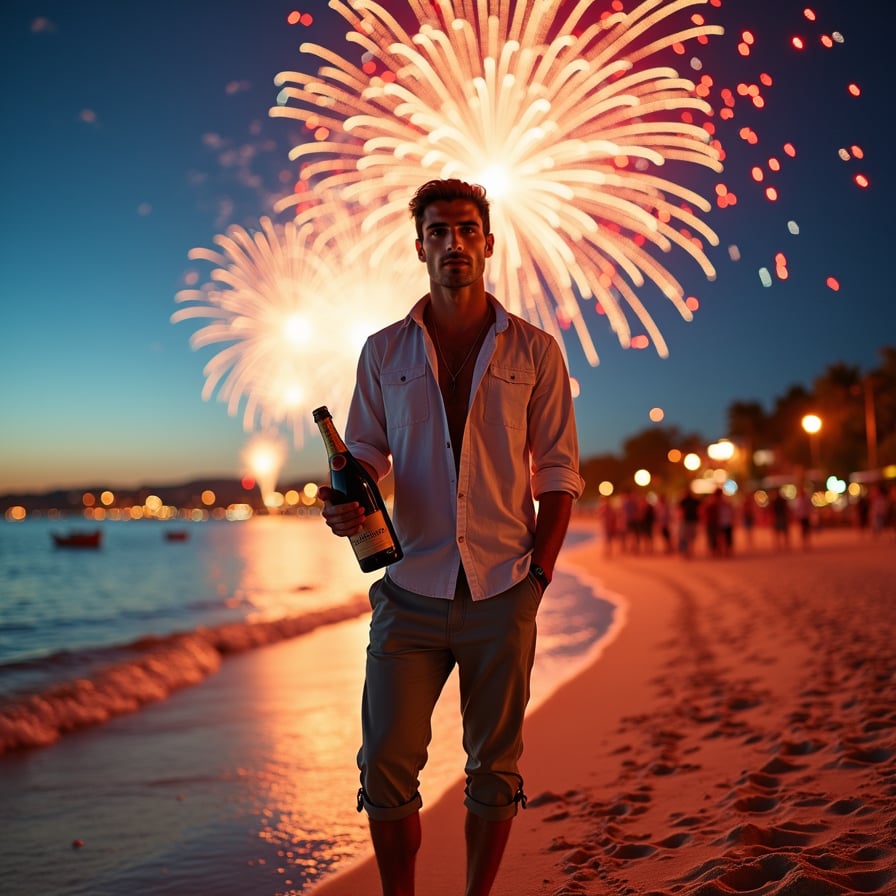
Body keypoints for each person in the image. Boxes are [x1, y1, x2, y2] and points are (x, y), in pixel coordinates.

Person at [318, 178, 584, 896]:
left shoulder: (536, 351)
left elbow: (559, 471)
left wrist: (539, 578)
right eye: (438, 232)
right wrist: (342, 493)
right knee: (383, 767)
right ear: (419, 247)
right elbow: (366, 451)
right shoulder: (383, 352)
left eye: (467, 230)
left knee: (495, 770)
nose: (454, 243)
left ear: (489, 245)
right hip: (408, 590)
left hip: (503, 589)